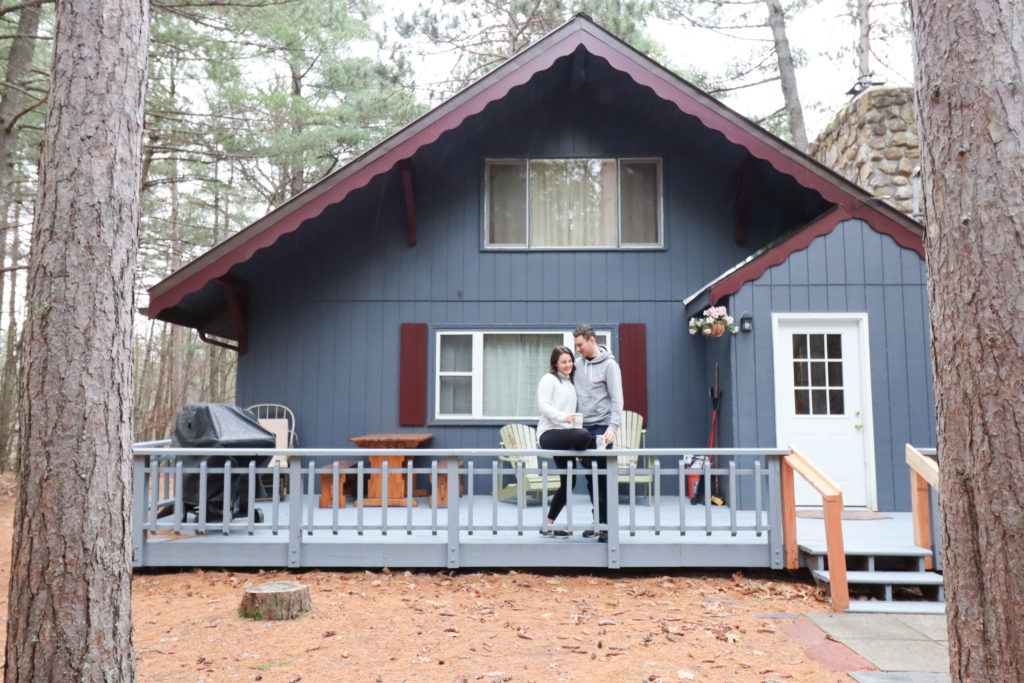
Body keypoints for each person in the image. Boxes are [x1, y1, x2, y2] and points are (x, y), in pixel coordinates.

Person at [572, 324, 623, 543]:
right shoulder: (576, 365)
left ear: (592, 340)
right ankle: (597, 522)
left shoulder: (610, 366)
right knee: (591, 477)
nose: (578, 350)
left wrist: (613, 428)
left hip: (603, 428)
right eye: (575, 346)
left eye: (580, 345)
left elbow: (617, 398)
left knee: (603, 476)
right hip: (583, 429)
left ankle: (607, 526)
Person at [536, 345, 592, 537]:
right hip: (549, 434)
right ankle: (584, 459)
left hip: (566, 436)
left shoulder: (569, 383)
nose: (568, 364)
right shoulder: (549, 379)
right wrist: (563, 418)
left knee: (569, 482)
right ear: (555, 363)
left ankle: (547, 525)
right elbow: (544, 406)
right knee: (585, 436)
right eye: (564, 362)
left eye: (570, 361)